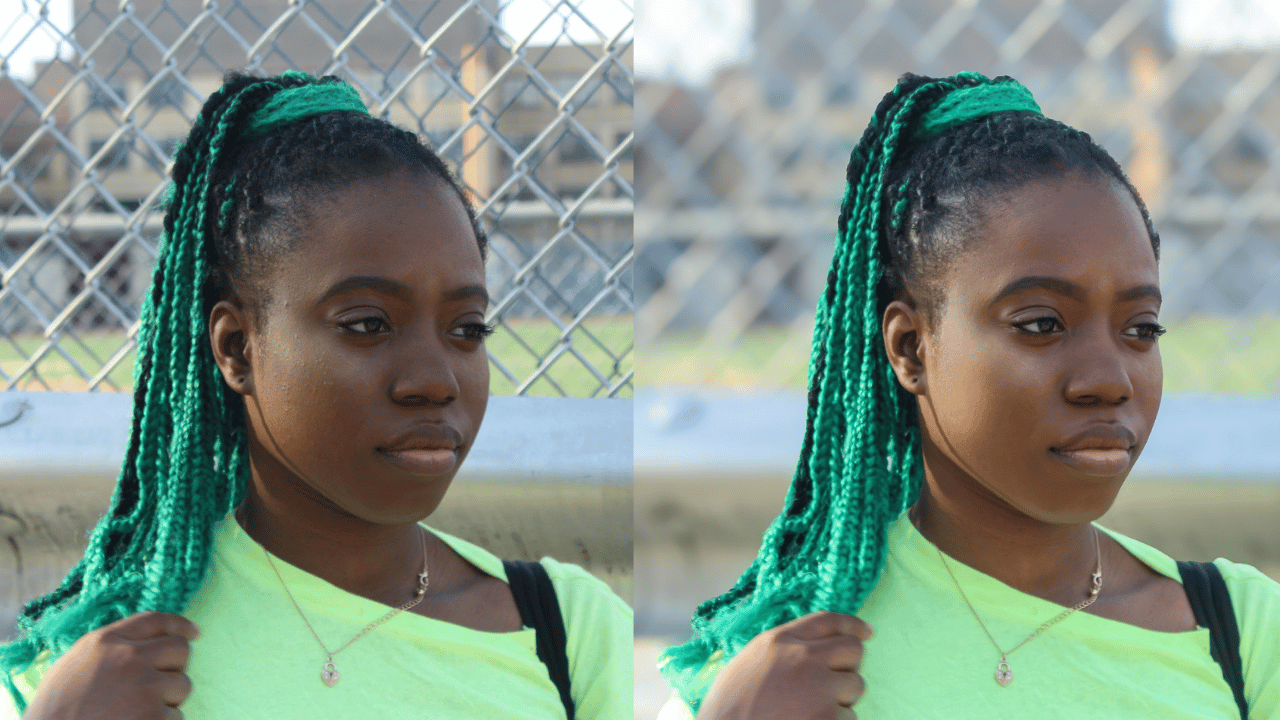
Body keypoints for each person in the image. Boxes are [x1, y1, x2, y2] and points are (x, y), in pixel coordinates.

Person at [0, 71, 630, 719]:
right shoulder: (111, 669)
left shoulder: (568, 632)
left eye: (467, 329)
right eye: (367, 324)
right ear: (237, 348)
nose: (436, 380)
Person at [657, 71, 1280, 719]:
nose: (1109, 380)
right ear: (909, 347)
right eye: (1041, 324)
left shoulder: (1240, 635)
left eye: (1140, 329)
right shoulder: (784, 673)